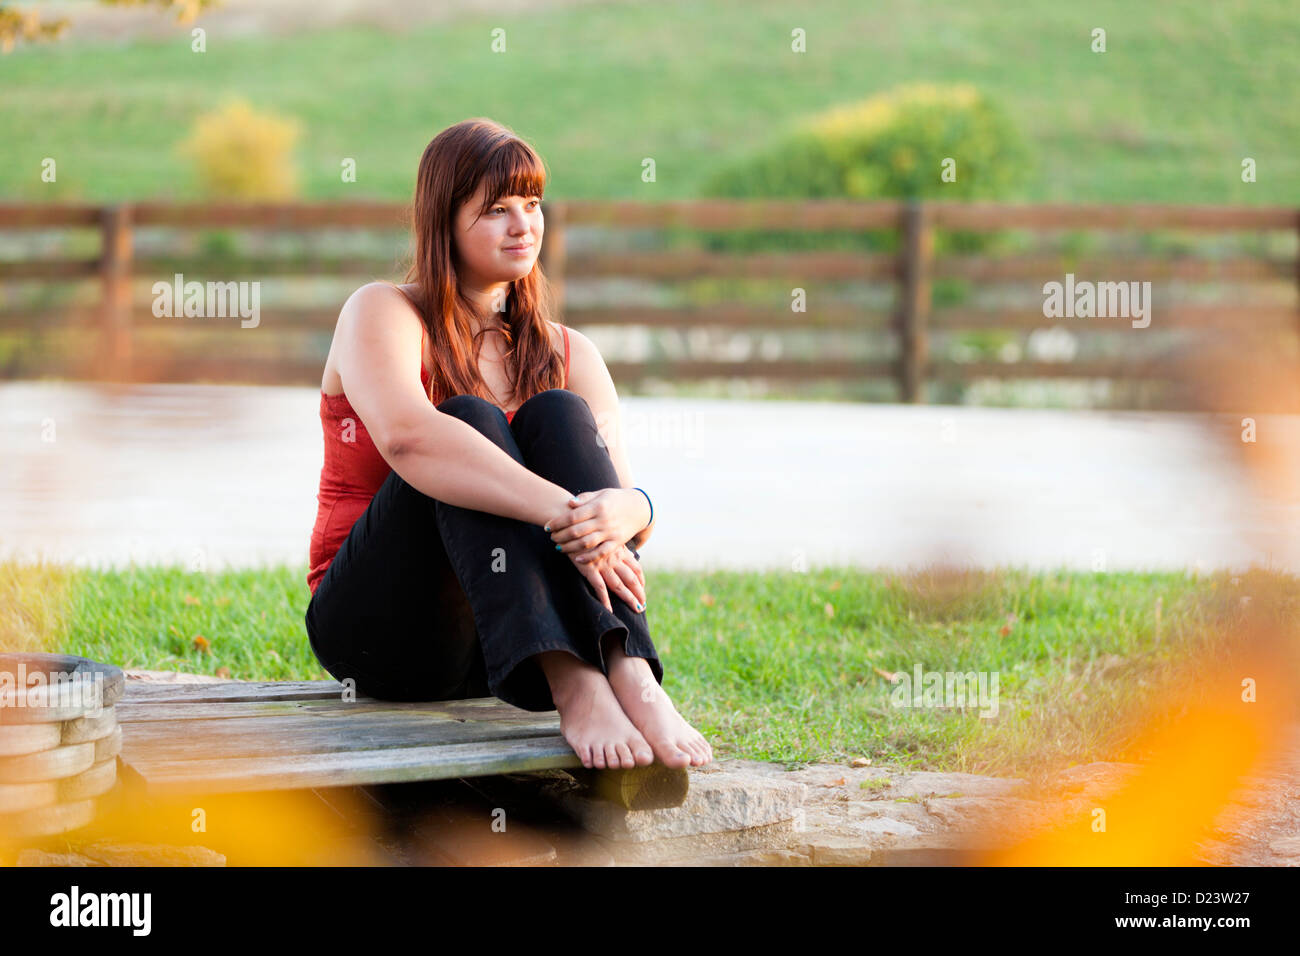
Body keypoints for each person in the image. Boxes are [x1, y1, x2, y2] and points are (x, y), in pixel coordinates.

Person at [304, 118, 712, 771]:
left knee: (555, 411)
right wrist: (558, 509)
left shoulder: (569, 353)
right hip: (385, 635)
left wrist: (635, 509)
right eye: (496, 209)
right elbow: (411, 439)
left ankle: (629, 670)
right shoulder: (381, 312)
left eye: (532, 203)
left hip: (500, 651)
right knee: (465, 419)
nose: (524, 224)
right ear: (443, 221)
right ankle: (576, 683)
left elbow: (621, 506)